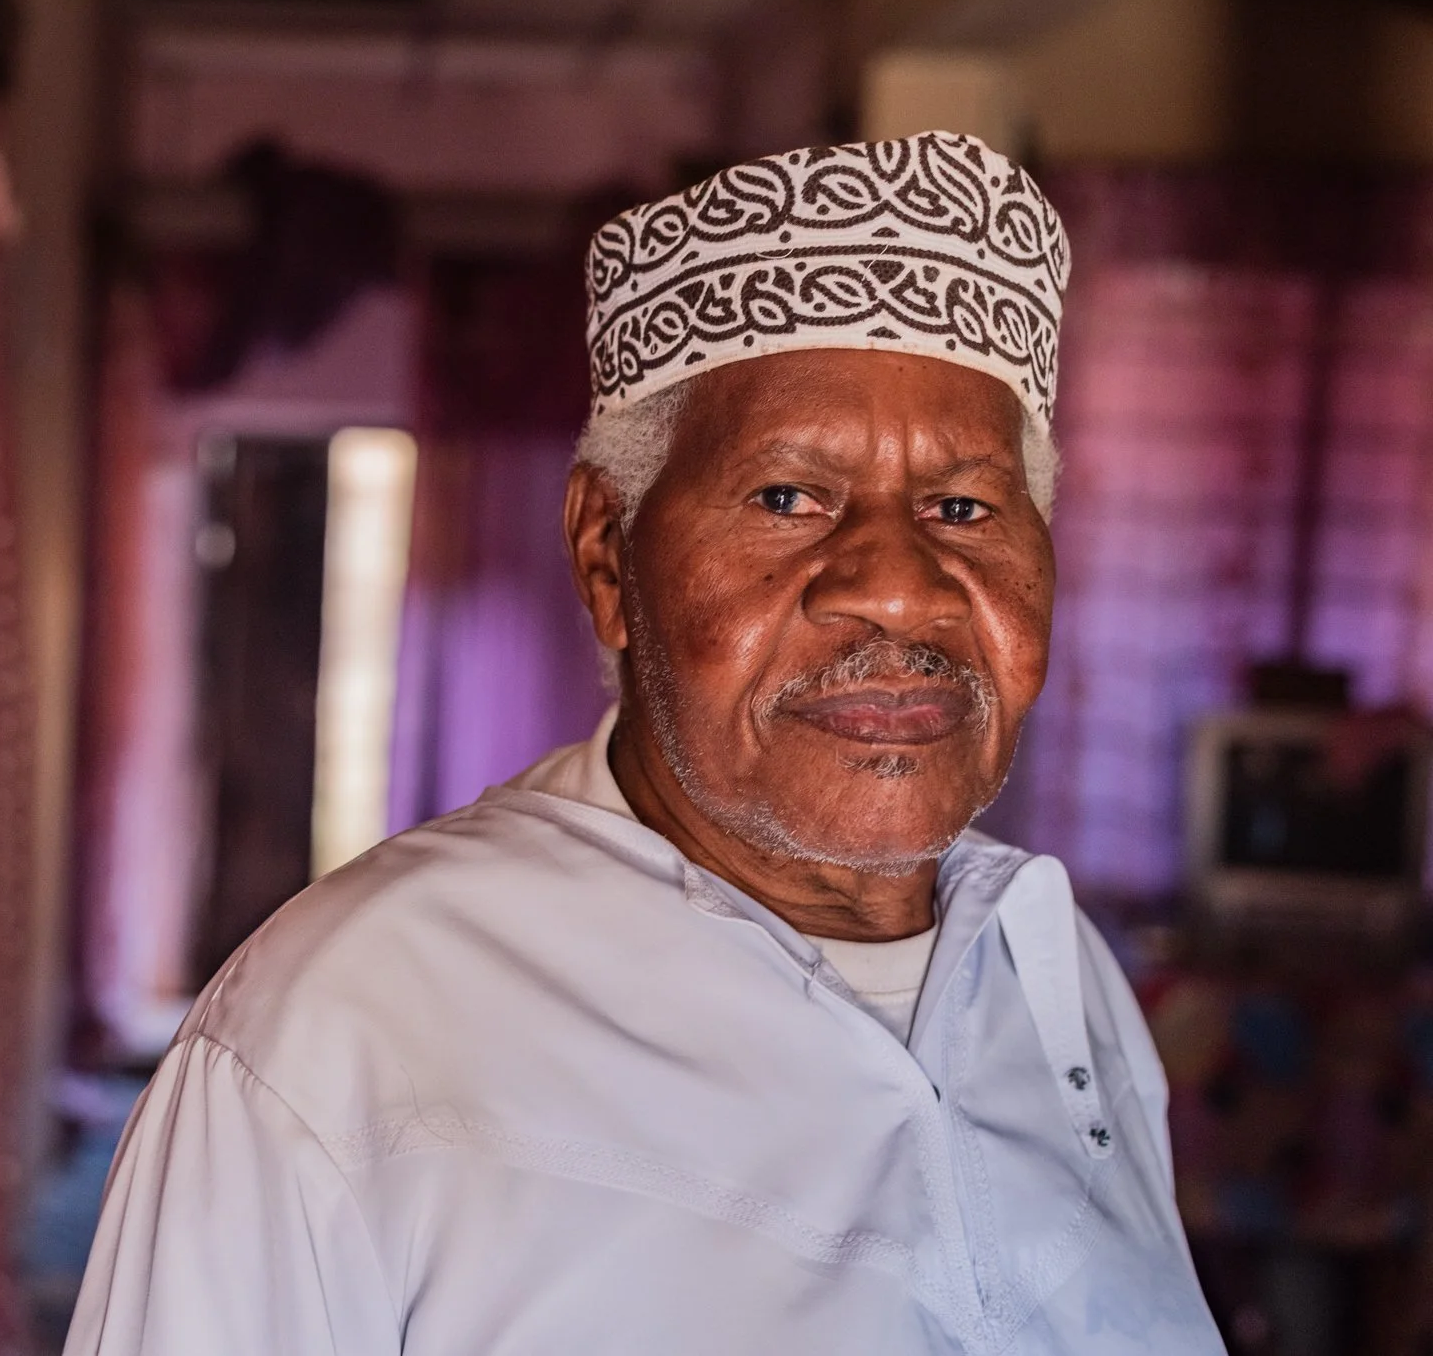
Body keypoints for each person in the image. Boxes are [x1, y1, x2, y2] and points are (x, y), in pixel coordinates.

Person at [64, 132, 1225, 1355]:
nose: (899, 587)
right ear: (606, 556)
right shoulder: (343, 1028)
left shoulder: (1056, 975)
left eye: (963, 506)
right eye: (787, 497)